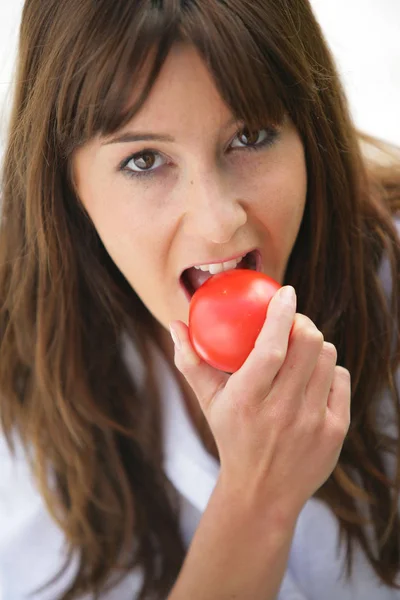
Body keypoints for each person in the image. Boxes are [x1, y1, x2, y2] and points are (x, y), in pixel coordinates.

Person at [0, 0, 399, 598]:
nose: (218, 224)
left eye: (251, 136)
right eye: (144, 160)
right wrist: (257, 497)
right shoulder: (17, 381)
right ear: (68, 185)